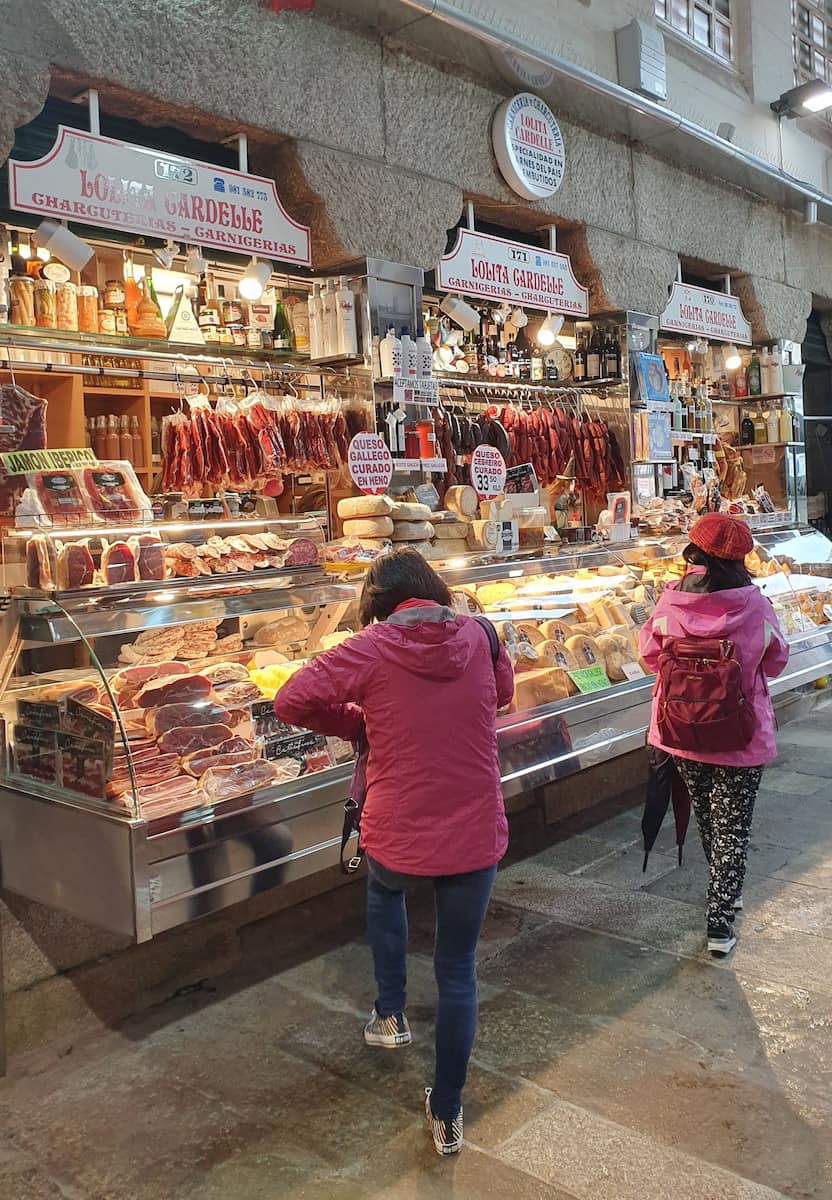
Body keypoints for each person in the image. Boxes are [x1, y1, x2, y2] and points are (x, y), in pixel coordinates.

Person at [275, 548, 514, 1156]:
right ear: (434, 588)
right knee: (457, 969)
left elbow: (290, 700)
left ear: (376, 605)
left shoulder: (370, 647)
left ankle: (390, 1015)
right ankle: (448, 1110)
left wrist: (358, 722)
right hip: (474, 826)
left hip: (398, 826)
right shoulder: (482, 634)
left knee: (384, 892)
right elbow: (503, 695)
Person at [640, 512, 789, 955]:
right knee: (732, 826)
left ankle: (727, 886)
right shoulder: (755, 606)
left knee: (708, 816)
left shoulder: (670, 603)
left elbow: (649, 655)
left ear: (696, 553)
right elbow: (776, 660)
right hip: (740, 733)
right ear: (741, 558)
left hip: (681, 729)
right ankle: (720, 922)